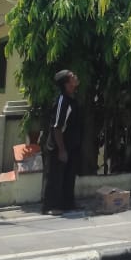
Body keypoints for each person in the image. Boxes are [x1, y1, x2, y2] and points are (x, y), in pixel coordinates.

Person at [42, 69, 82, 215]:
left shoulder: (72, 99)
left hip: (70, 145)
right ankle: (51, 206)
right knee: (55, 177)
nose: (75, 77)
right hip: (59, 146)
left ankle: (67, 204)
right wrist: (61, 149)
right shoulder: (62, 101)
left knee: (69, 176)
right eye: (72, 76)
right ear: (66, 84)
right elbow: (57, 127)